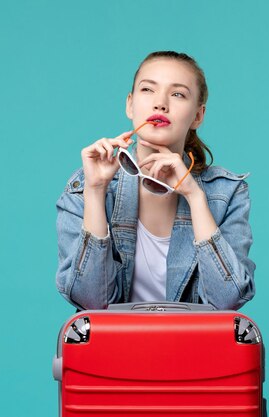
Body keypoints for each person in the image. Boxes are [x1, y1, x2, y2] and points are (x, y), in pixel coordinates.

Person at [55, 51, 255, 310]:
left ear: (198, 116)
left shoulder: (228, 193)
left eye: (178, 94)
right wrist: (95, 191)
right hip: (113, 350)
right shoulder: (84, 186)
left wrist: (195, 197)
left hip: (194, 350)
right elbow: (91, 301)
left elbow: (226, 300)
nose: (160, 103)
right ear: (130, 104)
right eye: (148, 89)